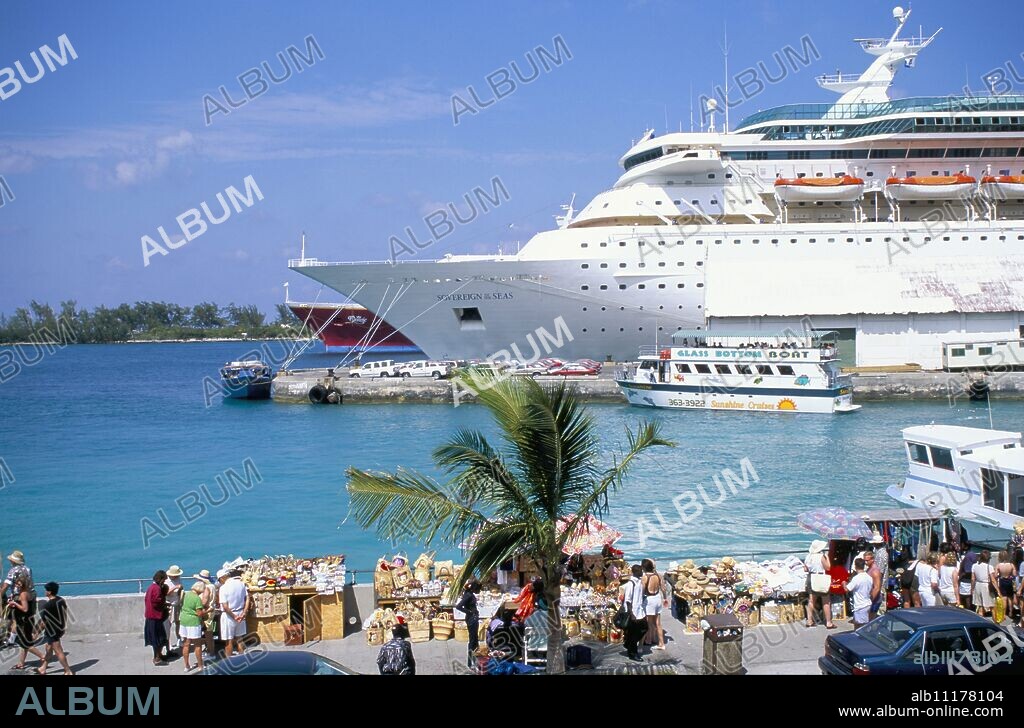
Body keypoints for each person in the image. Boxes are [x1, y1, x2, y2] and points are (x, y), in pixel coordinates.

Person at [7, 575, 43, 670]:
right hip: (27, 620)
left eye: (19, 583)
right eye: (17, 583)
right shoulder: (29, 592)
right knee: (24, 644)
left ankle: (43, 658)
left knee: (26, 644)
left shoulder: (23, 594)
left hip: (23, 621)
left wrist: (14, 603)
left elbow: (25, 609)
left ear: (23, 584)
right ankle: (21, 663)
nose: (17, 585)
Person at [36, 581, 72, 675]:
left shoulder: (47, 606)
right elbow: (64, 614)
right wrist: (63, 627)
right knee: (48, 648)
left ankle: (68, 671)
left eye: (46, 590)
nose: (45, 592)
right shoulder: (61, 600)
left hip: (52, 631)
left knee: (58, 651)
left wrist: (36, 633)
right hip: (59, 628)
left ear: (49, 592)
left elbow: (43, 622)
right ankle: (43, 668)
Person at [2, 550, 34, 647]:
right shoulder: (28, 569)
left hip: (19, 597)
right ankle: (15, 639)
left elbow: (5, 586)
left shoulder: (13, 571)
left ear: (14, 561)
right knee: (25, 619)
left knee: (15, 619)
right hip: (30, 595)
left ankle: (12, 640)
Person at [218, 568, 250, 657]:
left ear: (221, 578)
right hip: (240, 612)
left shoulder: (223, 588)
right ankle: (241, 657)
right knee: (240, 639)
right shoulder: (241, 584)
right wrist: (244, 612)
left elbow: (225, 606)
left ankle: (229, 661)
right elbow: (247, 598)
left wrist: (234, 616)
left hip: (229, 616)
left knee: (229, 640)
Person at [804, 540, 835, 629]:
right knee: (825, 601)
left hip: (811, 577)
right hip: (820, 577)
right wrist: (827, 558)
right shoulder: (821, 556)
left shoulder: (808, 557)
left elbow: (805, 569)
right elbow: (828, 567)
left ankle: (809, 620)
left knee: (811, 600)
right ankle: (828, 622)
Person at [179, 581, 207, 672]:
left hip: (184, 620)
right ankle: (200, 665)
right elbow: (199, 613)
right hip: (193, 622)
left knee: (186, 644)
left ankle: (187, 666)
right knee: (197, 645)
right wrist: (207, 611)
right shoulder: (197, 599)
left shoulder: (186, 594)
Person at [621, 564, 647, 662]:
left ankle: (629, 644)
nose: (642, 572)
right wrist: (631, 614)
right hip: (634, 612)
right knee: (634, 633)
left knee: (644, 628)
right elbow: (628, 600)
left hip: (640, 610)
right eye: (640, 571)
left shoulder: (639, 582)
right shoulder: (631, 583)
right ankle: (633, 653)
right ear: (636, 572)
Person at [144, 570, 170, 665]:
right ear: (161, 579)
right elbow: (156, 601)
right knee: (158, 638)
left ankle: (158, 655)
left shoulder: (151, 587)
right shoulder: (157, 589)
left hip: (151, 616)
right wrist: (164, 605)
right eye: (164, 580)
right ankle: (157, 658)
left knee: (157, 638)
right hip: (155, 617)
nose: (164, 582)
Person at [455, 579, 481, 668]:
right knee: (472, 640)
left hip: (473, 618)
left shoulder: (469, 593)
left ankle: (475, 659)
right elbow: (458, 606)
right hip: (471, 619)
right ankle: (470, 662)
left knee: (475, 639)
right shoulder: (468, 595)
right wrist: (469, 612)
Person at [641, 558, 666, 650]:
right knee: (658, 623)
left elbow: (642, 590)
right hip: (657, 598)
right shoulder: (659, 575)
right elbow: (663, 588)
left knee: (648, 622)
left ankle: (648, 640)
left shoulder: (645, 577)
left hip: (649, 600)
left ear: (643, 567)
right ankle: (661, 642)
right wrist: (665, 598)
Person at [192, 570, 217, 657]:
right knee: (208, 633)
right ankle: (210, 650)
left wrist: (197, 605)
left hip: (206, 612)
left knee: (208, 634)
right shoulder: (213, 586)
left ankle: (211, 652)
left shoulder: (207, 588)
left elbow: (204, 601)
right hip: (211, 610)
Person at [845, 558, 873, 627]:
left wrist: (843, 583)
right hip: (868, 604)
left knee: (858, 627)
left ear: (855, 566)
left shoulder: (856, 578)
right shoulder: (869, 577)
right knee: (865, 625)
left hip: (860, 606)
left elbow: (847, 589)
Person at [164, 565, 184, 654]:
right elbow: (166, 593)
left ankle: (179, 639)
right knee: (168, 624)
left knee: (178, 622)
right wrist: (175, 588)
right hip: (170, 605)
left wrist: (180, 589)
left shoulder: (178, 579)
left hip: (177, 604)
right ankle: (168, 643)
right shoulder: (166, 581)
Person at [970, 549, 995, 617]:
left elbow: (973, 579)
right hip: (986, 586)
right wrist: (998, 591)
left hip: (977, 585)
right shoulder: (989, 567)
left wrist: (972, 588)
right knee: (992, 606)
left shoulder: (974, 566)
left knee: (980, 606)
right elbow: (993, 580)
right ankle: (996, 623)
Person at [994, 551, 1017, 623]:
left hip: (1002, 581)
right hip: (1009, 581)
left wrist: (999, 575)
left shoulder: (998, 565)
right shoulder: (1011, 565)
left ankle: (1003, 615)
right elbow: (1014, 574)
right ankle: (1010, 612)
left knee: (1004, 598)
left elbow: (995, 575)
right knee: (1010, 597)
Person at [863, 551, 883, 620]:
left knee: (871, 621)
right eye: (864, 560)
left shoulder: (875, 571)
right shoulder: (869, 569)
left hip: (874, 600)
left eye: (867, 560)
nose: (865, 562)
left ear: (872, 559)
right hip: (869, 598)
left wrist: (870, 601)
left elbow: (877, 587)